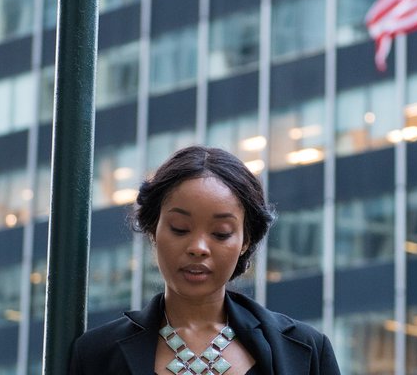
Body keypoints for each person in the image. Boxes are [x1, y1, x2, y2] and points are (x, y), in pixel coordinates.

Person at [70, 146, 340, 374]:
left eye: (220, 234)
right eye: (179, 228)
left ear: (245, 241)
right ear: (153, 230)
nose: (198, 248)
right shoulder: (97, 354)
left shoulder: (306, 351)